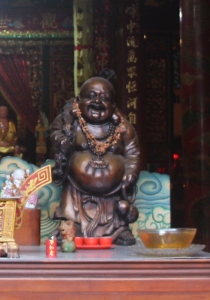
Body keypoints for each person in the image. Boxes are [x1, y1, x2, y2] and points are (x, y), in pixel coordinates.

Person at [49, 75, 141, 245]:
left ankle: (119, 230)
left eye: (104, 98)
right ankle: (71, 227)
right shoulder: (73, 123)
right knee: (71, 208)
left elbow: (133, 152)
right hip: (77, 189)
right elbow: (55, 132)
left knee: (118, 210)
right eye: (91, 96)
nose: (97, 102)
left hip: (113, 190)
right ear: (79, 101)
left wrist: (130, 172)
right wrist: (61, 140)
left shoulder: (122, 127)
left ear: (113, 105)